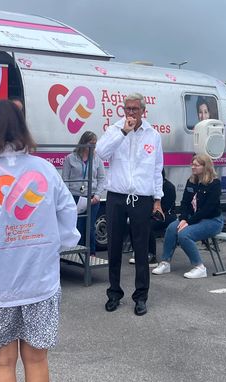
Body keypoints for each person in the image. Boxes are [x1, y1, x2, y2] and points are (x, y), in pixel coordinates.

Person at [0, 100, 80, 382]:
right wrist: (50, 249)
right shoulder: (45, 170)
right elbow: (68, 217)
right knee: (37, 360)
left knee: (2, 363)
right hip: (41, 282)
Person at [96, 93, 164, 316]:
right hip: (116, 195)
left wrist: (157, 199)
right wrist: (123, 132)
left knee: (141, 247)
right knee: (114, 247)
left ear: (143, 111)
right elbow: (101, 152)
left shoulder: (153, 135)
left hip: (142, 198)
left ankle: (141, 296)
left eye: (135, 109)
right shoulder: (115, 129)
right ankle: (114, 292)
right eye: (127, 109)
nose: (131, 113)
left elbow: (156, 170)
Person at [152, 154, 223, 279]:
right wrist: (184, 218)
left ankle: (199, 267)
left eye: (196, 165)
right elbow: (185, 203)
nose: (193, 167)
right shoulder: (191, 182)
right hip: (192, 218)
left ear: (205, 167)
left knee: (184, 234)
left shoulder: (214, 184)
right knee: (171, 228)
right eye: (192, 164)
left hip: (212, 221)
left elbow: (208, 209)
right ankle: (165, 262)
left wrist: (188, 222)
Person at [62, 131, 106, 257]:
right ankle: (77, 252)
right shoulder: (70, 158)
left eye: (95, 144)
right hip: (75, 196)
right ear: (83, 143)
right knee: (78, 226)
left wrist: (97, 195)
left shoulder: (97, 159)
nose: (93, 146)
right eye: (90, 143)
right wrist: (68, 197)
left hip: (91, 197)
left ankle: (91, 252)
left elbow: (102, 178)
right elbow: (65, 179)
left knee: (90, 226)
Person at [128, 168, 177, 265]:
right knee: (132, 222)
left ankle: (151, 255)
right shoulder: (147, 186)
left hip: (165, 215)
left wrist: (148, 212)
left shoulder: (169, 187)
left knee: (148, 225)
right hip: (149, 213)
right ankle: (137, 251)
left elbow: (165, 207)